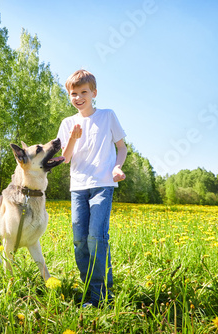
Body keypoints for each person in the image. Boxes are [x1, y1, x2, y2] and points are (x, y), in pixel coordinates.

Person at [56, 69, 127, 307]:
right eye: (73, 93)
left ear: (94, 93)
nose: (78, 97)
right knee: (79, 240)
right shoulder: (67, 123)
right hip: (78, 187)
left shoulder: (107, 116)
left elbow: (122, 147)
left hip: (103, 185)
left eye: (83, 92)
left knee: (97, 238)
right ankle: (88, 290)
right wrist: (74, 138)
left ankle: (100, 296)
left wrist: (117, 167)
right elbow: (64, 159)